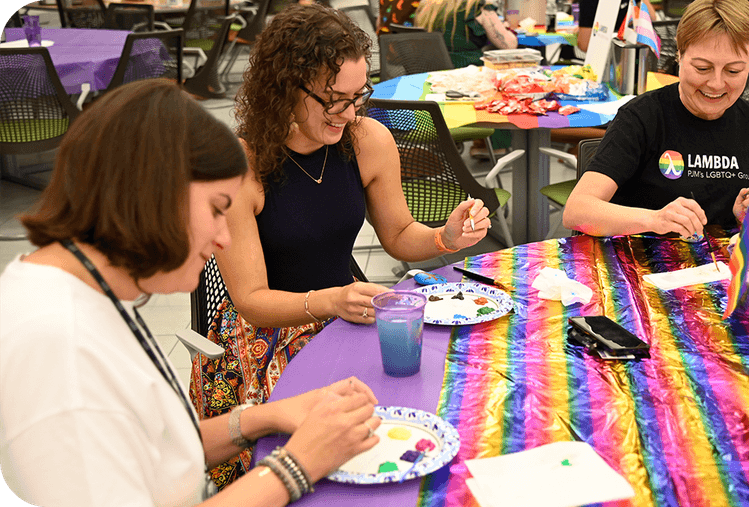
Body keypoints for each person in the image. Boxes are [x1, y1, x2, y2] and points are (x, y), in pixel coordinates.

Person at [0, 79, 381, 506]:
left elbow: (153, 454)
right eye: (217, 209)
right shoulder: (60, 345)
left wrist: (264, 417)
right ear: (153, 198)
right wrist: (299, 464)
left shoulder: (83, 289)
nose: (223, 239)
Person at [190, 2, 493, 487]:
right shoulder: (242, 166)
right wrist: (331, 300)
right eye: (334, 100)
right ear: (285, 88)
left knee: (437, 389)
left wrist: (444, 236)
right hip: (264, 334)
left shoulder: (367, 139)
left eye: (358, 96)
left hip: (344, 309)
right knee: (333, 445)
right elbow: (250, 301)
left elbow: (398, 235)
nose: (350, 113)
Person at [564, 0, 749, 238]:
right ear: (679, 56)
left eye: (733, 71)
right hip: (639, 255)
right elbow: (576, 211)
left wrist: (746, 216)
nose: (716, 84)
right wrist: (655, 219)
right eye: (702, 68)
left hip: (715, 258)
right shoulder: (642, 118)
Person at [415, 0, 518, 68]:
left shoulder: (428, 5)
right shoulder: (477, 6)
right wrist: (502, 28)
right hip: (468, 72)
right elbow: (509, 45)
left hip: (431, 71)